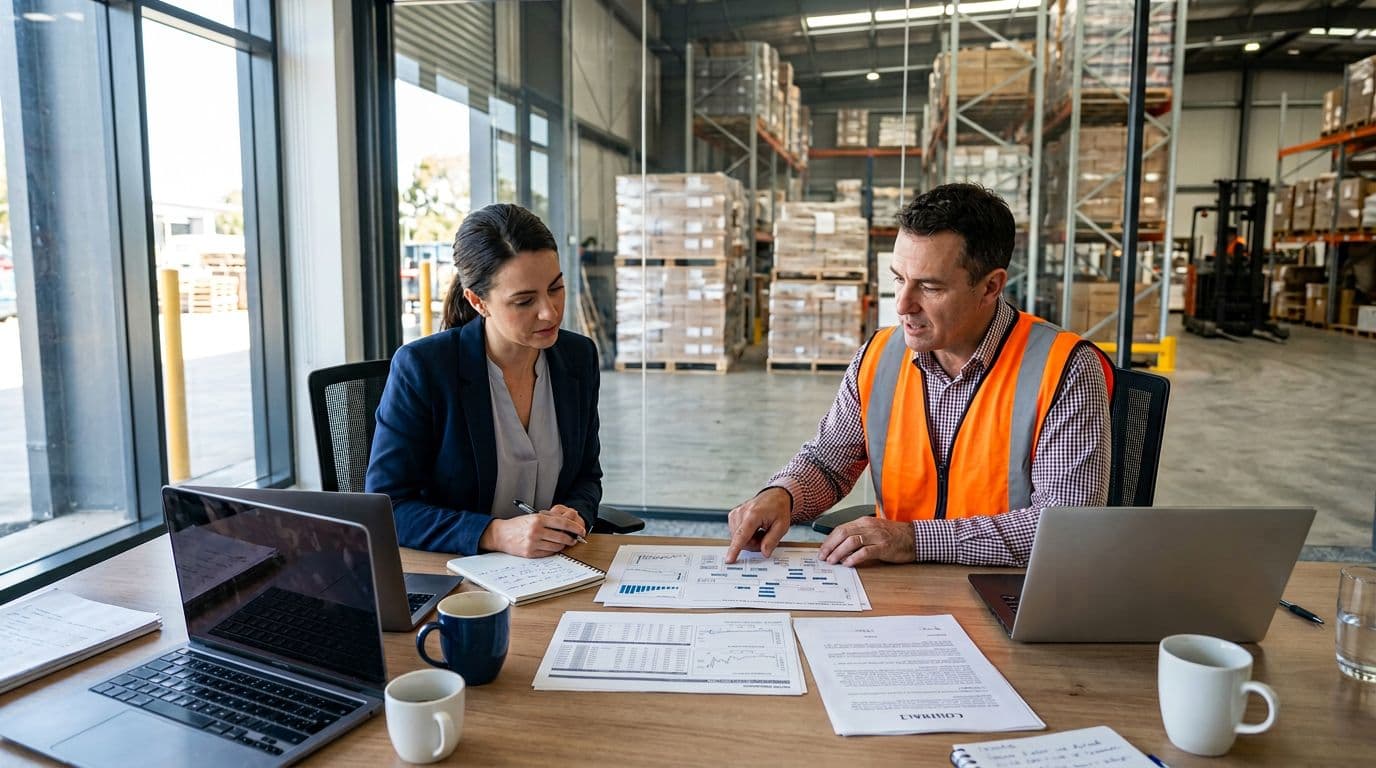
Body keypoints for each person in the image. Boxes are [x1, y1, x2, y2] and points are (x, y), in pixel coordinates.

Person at [725, 183, 1112, 569]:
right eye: (898, 278)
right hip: (899, 585)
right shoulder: (879, 356)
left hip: (1006, 589)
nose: (903, 304)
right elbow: (829, 461)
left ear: (990, 286)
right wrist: (783, 494)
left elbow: (1065, 527)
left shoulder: (1063, 368)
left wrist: (914, 539)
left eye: (929, 286)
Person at [366, 203, 601, 558]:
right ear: (478, 302)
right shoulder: (424, 368)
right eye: (524, 301)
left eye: (556, 288)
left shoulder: (578, 358)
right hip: (457, 571)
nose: (549, 312)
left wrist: (575, 513)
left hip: (554, 568)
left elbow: (586, 476)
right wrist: (495, 534)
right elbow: (389, 507)